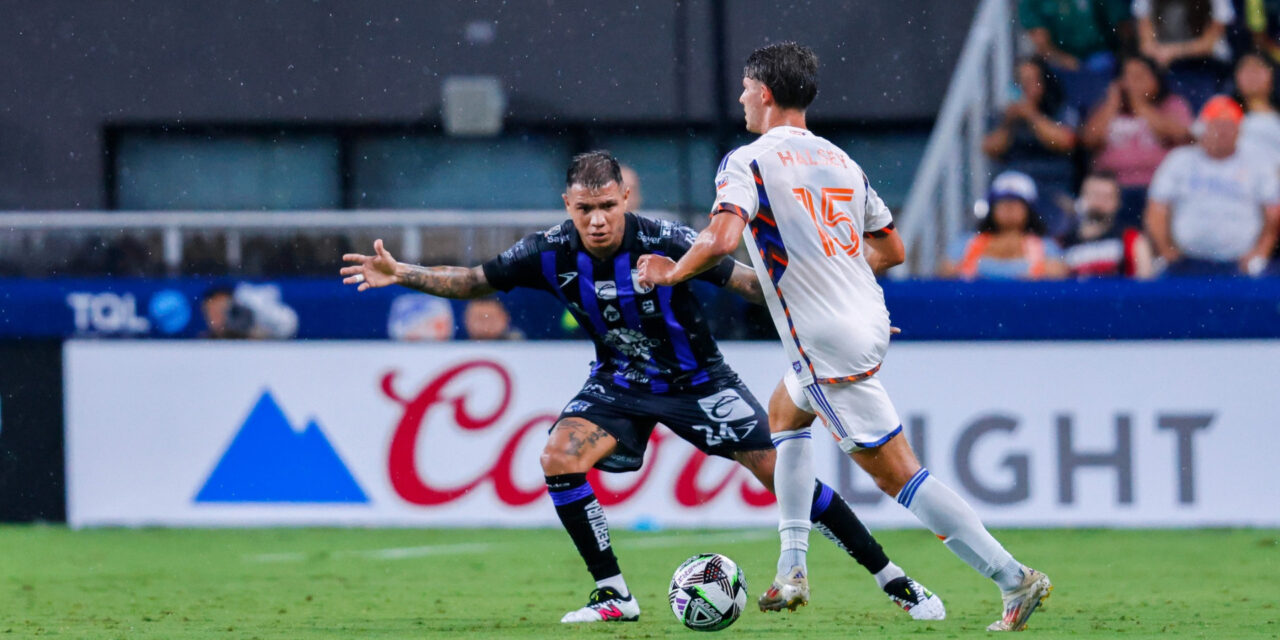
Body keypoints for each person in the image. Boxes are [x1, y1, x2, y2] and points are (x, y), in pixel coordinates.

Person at [341, 151, 944, 624]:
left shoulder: (666, 239)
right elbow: (473, 281)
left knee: (784, 476)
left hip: (699, 382)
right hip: (619, 382)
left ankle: (893, 578)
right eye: (584, 209)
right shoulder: (547, 250)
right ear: (567, 205)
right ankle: (613, 595)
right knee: (557, 456)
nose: (596, 219)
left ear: (624, 197)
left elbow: (751, 285)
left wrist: (843, 309)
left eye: (606, 204)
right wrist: (403, 275)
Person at [638, 42, 1051, 632]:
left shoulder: (747, 160)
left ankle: (1013, 578)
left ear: (765, 93)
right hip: (863, 318)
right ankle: (792, 567)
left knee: (896, 474)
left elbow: (722, 238)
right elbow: (891, 248)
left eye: (745, 87)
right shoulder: (840, 161)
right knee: (785, 412)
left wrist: (670, 271)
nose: (740, 98)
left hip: (826, 338)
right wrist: (844, 289)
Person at [1145, 94, 1280, 275]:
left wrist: (1260, 253)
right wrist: (1165, 250)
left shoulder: (1257, 163)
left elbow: (1273, 213)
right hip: (1185, 260)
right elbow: (1157, 208)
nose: (1222, 132)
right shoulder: (1179, 160)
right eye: (1216, 125)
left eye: (1229, 126)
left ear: (1240, 131)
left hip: (1240, 263)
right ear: (1202, 128)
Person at [1081, 55, 1194, 228]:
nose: (1132, 83)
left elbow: (1180, 134)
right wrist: (1112, 104)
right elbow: (1088, 140)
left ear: (1156, 80)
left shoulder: (1172, 104)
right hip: (1113, 189)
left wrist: (1139, 104)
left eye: (1140, 76)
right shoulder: (1107, 108)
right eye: (1127, 77)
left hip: (1157, 187)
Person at [982, 57, 1079, 232]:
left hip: (1052, 187)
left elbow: (1065, 142)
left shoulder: (1061, 109)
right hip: (1013, 188)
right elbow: (990, 148)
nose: (1025, 87)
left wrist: (1032, 116)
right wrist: (1009, 123)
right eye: (1021, 81)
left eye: (1031, 81)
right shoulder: (1005, 116)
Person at [939, 171, 1070, 280]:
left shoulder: (1047, 247)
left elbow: (1059, 273)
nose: (1009, 207)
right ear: (992, 208)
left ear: (1029, 210)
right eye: (1002, 202)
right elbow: (944, 272)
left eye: (1017, 202)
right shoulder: (964, 244)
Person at [1018, 0, 1133, 110]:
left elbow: (1122, 28)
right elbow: (1041, 43)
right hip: (1057, 65)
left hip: (1101, 60)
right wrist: (1066, 61)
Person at [1133, 0, 1236, 110]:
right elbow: (1146, 44)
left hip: (1207, 64)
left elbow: (1210, 43)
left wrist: (1172, 52)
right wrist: (1162, 54)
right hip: (1163, 64)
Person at [1060, 171, 1156, 277]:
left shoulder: (1133, 240)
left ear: (1117, 202)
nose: (1100, 202)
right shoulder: (1062, 243)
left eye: (1107, 197)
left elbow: (1144, 283)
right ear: (1082, 197)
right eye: (1095, 195)